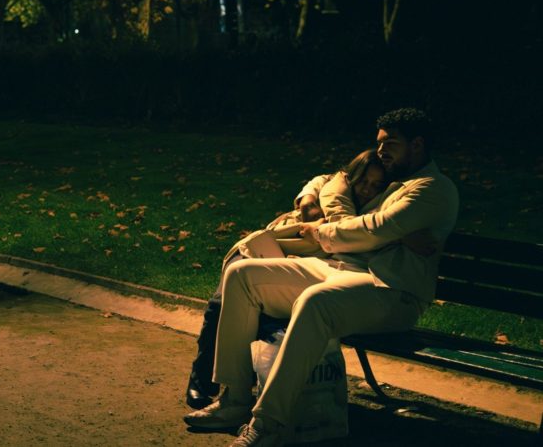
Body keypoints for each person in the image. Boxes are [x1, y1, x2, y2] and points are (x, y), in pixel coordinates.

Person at [183, 107, 459, 447]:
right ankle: (235, 400)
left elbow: (376, 228)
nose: (382, 151)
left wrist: (328, 230)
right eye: (380, 143)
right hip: (340, 269)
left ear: (417, 145)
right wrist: (316, 198)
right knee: (242, 276)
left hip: (391, 291)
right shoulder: (389, 178)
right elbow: (337, 182)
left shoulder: (434, 188)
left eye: (391, 144)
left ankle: (268, 424)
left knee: (316, 302)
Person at [186, 149, 389, 409]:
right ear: (353, 176)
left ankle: (243, 387)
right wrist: (309, 204)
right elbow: (312, 194)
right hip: (272, 243)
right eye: (363, 181)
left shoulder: (377, 207)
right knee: (221, 301)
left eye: (375, 185)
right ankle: (202, 380)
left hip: (300, 261)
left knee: (262, 309)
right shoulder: (332, 185)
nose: (367, 189)